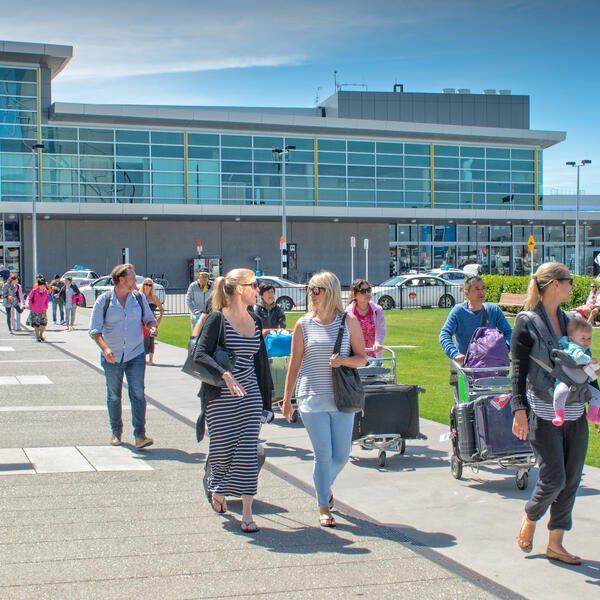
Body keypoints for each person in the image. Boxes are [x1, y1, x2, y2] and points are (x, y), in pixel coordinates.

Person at [512, 262, 590, 565]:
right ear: (554, 284)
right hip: (544, 412)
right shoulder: (528, 321)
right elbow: (518, 369)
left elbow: (583, 366)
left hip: (575, 412)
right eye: (569, 280)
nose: (573, 285)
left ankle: (556, 544)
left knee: (571, 480)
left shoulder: (571, 320)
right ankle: (531, 515)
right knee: (554, 477)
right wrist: (519, 408)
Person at [282, 271, 367, 528]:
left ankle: (323, 486)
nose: (310, 294)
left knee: (341, 456)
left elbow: (362, 358)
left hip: (342, 398)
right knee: (323, 454)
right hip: (310, 397)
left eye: (315, 289)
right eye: (309, 290)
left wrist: (342, 360)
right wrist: (287, 400)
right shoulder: (303, 324)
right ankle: (323, 506)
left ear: (328, 291)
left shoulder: (348, 321)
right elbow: (294, 364)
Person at [193, 268, 273, 533]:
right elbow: (200, 354)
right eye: (254, 285)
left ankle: (247, 513)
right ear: (239, 289)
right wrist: (225, 374)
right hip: (220, 396)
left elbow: (260, 363)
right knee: (222, 450)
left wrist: (266, 401)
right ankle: (216, 487)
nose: (257, 289)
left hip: (249, 394)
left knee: (248, 450)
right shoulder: (217, 318)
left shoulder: (256, 319)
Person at [89, 263, 157, 449]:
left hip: (135, 354)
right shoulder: (104, 300)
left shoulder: (139, 298)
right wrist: (105, 349)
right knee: (114, 396)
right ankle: (116, 432)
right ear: (121, 279)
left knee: (138, 393)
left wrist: (151, 325)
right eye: (133, 278)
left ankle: (140, 435)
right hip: (112, 356)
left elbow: (149, 317)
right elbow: (95, 331)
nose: (136, 281)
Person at [439, 275, 512, 398]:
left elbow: (508, 331)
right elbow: (444, 334)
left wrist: (505, 348)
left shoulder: (493, 310)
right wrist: (455, 354)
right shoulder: (458, 312)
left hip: (490, 369)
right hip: (467, 370)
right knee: (466, 406)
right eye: (477, 289)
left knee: (493, 405)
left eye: (483, 288)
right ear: (467, 293)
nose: (481, 291)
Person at [552, 318, 600, 426]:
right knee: (560, 392)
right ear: (572, 338)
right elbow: (578, 357)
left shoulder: (585, 350)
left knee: (597, 394)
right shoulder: (573, 347)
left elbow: (585, 372)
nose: (587, 342)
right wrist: (589, 360)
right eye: (583, 338)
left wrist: (594, 373)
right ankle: (559, 415)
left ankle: (592, 415)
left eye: (589, 338)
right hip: (566, 380)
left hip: (581, 383)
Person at [345, 279, 386, 360]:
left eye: (368, 290)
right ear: (355, 295)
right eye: (363, 291)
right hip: (355, 356)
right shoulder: (348, 312)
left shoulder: (377, 310)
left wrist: (378, 342)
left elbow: (381, 329)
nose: (367, 293)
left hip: (374, 354)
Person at [141, 277, 164, 365]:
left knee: (151, 338)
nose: (147, 286)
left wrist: (159, 320)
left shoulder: (154, 298)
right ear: (143, 285)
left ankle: (151, 359)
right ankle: (142, 357)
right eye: (146, 284)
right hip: (141, 320)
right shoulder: (139, 295)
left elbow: (161, 309)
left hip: (152, 320)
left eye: (150, 285)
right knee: (141, 338)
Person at [26, 277, 50, 342]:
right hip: (35, 310)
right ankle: (37, 336)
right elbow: (30, 298)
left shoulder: (46, 292)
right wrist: (31, 305)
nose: (43, 286)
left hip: (43, 310)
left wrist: (46, 306)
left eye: (44, 285)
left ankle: (41, 335)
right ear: (39, 285)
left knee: (44, 323)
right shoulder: (34, 291)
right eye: (41, 285)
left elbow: (47, 300)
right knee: (36, 324)